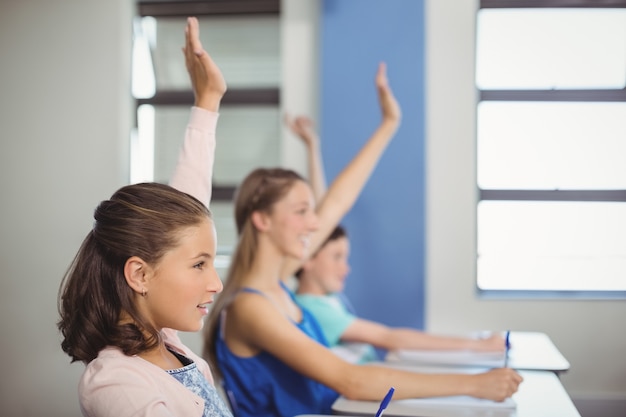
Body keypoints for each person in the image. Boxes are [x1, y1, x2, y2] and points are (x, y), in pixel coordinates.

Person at [203, 63, 523, 417]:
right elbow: (351, 381)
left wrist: (389, 125)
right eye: (301, 212)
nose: (314, 224)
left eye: (313, 213)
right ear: (262, 220)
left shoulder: (276, 285)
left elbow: (338, 202)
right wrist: (475, 385)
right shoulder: (250, 308)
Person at [57, 17, 232, 417]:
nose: (216, 282)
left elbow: (185, 207)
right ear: (139, 275)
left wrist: (208, 101)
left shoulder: (162, 340)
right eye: (199, 265)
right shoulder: (117, 385)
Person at [284, 114, 507, 364]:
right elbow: (388, 337)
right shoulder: (313, 309)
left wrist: (312, 146)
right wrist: (476, 345)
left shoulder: (326, 300)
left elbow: (325, 211)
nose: (345, 268)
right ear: (307, 258)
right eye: (336, 257)